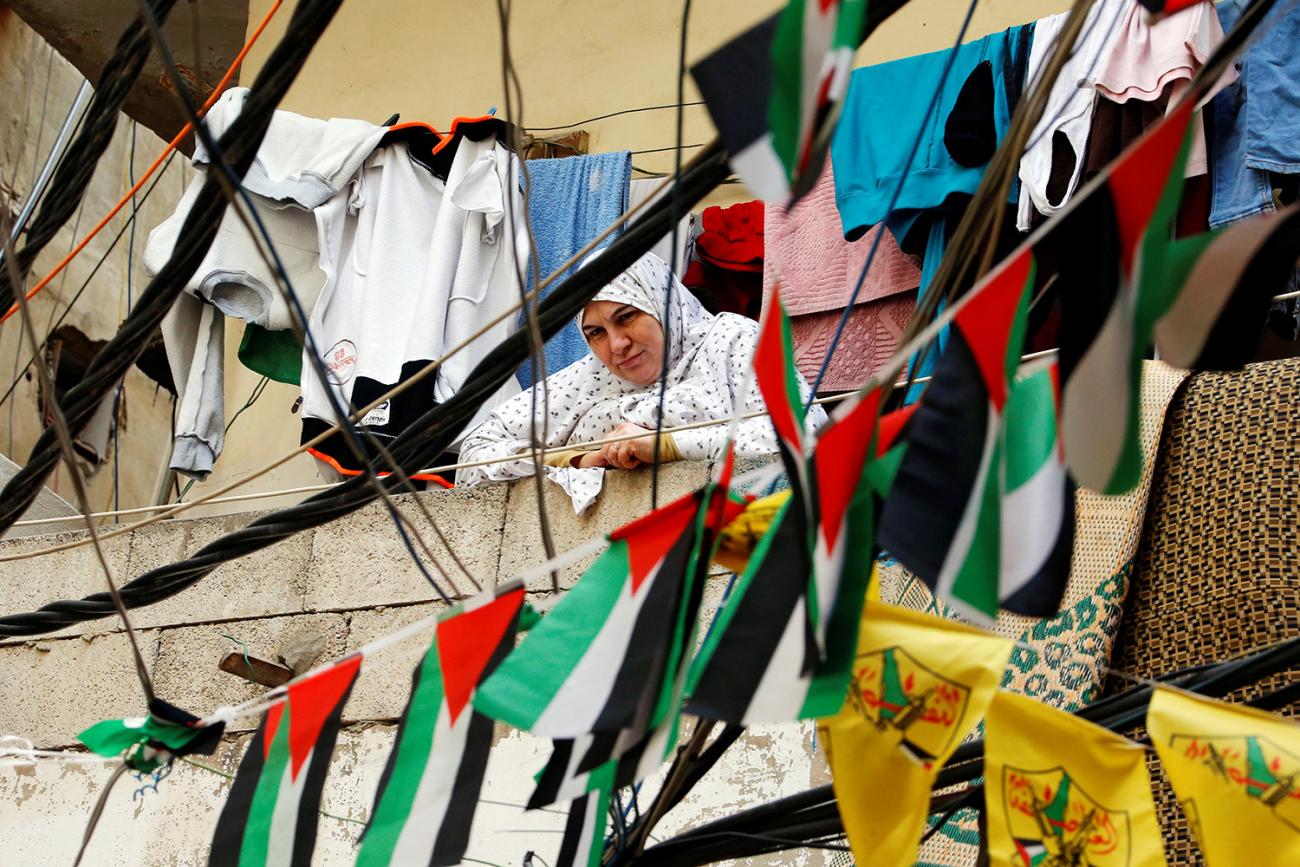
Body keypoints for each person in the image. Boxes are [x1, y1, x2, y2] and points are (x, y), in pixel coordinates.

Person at [456, 252, 828, 514]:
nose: (616, 345)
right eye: (596, 333)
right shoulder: (589, 379)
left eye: (628, 317)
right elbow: (474, 457)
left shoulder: (731, 340)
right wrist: (582, 458)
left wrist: (665, 445)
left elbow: (805, 431)